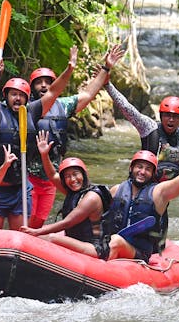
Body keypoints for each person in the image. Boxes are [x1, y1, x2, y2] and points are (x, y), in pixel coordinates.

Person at [37, 132, 179, 263]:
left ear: (153, 173)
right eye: (139, 167)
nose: (142, 171)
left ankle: (96, 260)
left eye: (147, 169)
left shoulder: (160, 192)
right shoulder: (118, 189)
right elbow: (75, 191)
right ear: (131, 168)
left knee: (115, 241)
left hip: (138, 251)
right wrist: (45, 156)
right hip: (110, 243)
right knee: (107, 239)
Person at [0, 29, 75, 230]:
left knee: (20, 234)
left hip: (19, 188)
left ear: (27, 98)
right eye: (13, 94)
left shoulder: (31, 112)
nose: (17, 98)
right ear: (6, 96)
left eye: (21, 95)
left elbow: (53, 91)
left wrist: (69, 69)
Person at [26, 44, 125, 229]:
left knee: (38, 222)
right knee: (26, 218)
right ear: (31, 87)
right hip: (27, 176)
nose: (44, 86)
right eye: (39, 82)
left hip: (52, 178)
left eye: (48, 82)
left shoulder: (62, 105)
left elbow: (88, 94)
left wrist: (106, 68)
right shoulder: (26, 109)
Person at [19, 131, 111, 257]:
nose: (72, 179)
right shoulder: (72, 191)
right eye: (67, 176)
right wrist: (44, 154)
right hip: (77, 241)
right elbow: (52, 175)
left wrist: (36, 232)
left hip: (94, 247)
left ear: (83, 174)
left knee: (51, 238)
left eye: (75, 174)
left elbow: (67, 222)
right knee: (47, 237)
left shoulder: (92, 197)